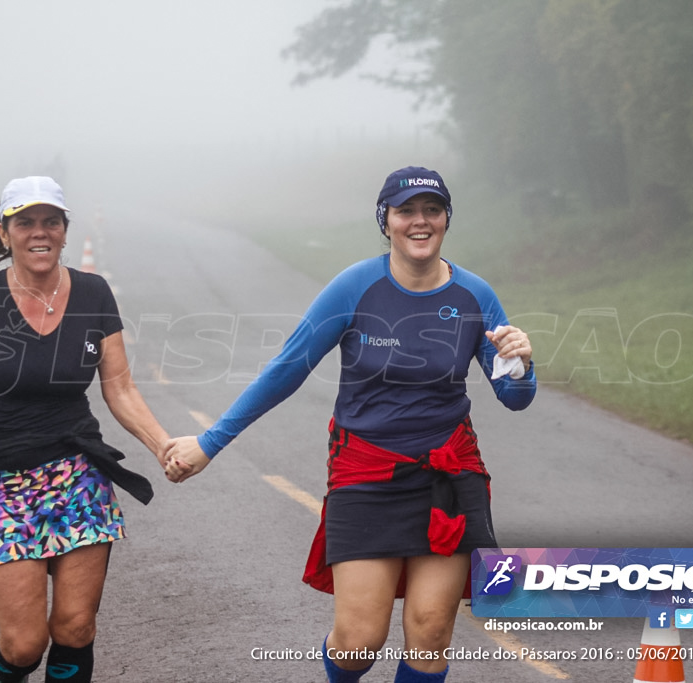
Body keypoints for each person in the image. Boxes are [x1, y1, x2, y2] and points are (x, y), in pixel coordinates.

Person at [164, 166, 536, 682]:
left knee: (430, 634)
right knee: (359, 643)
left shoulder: (474, 295)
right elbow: (286, 372)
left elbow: (515, 397)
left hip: (448, 476)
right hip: (366, 474)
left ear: (447, 218)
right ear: (385, 221)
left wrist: (522, 363)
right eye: (406, 211)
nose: (420, 221)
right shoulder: (355, 288)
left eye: (432, 209)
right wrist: (210, 442)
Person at [0, 176, 169, 683]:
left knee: (75, 627)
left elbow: (119, 389)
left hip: (77, 472)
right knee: (25, 642)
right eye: (25, 222)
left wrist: (162, 445)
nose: (40, 232)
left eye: (51, 221)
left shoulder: (94, 293)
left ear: (64, 230)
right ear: (4, 232)